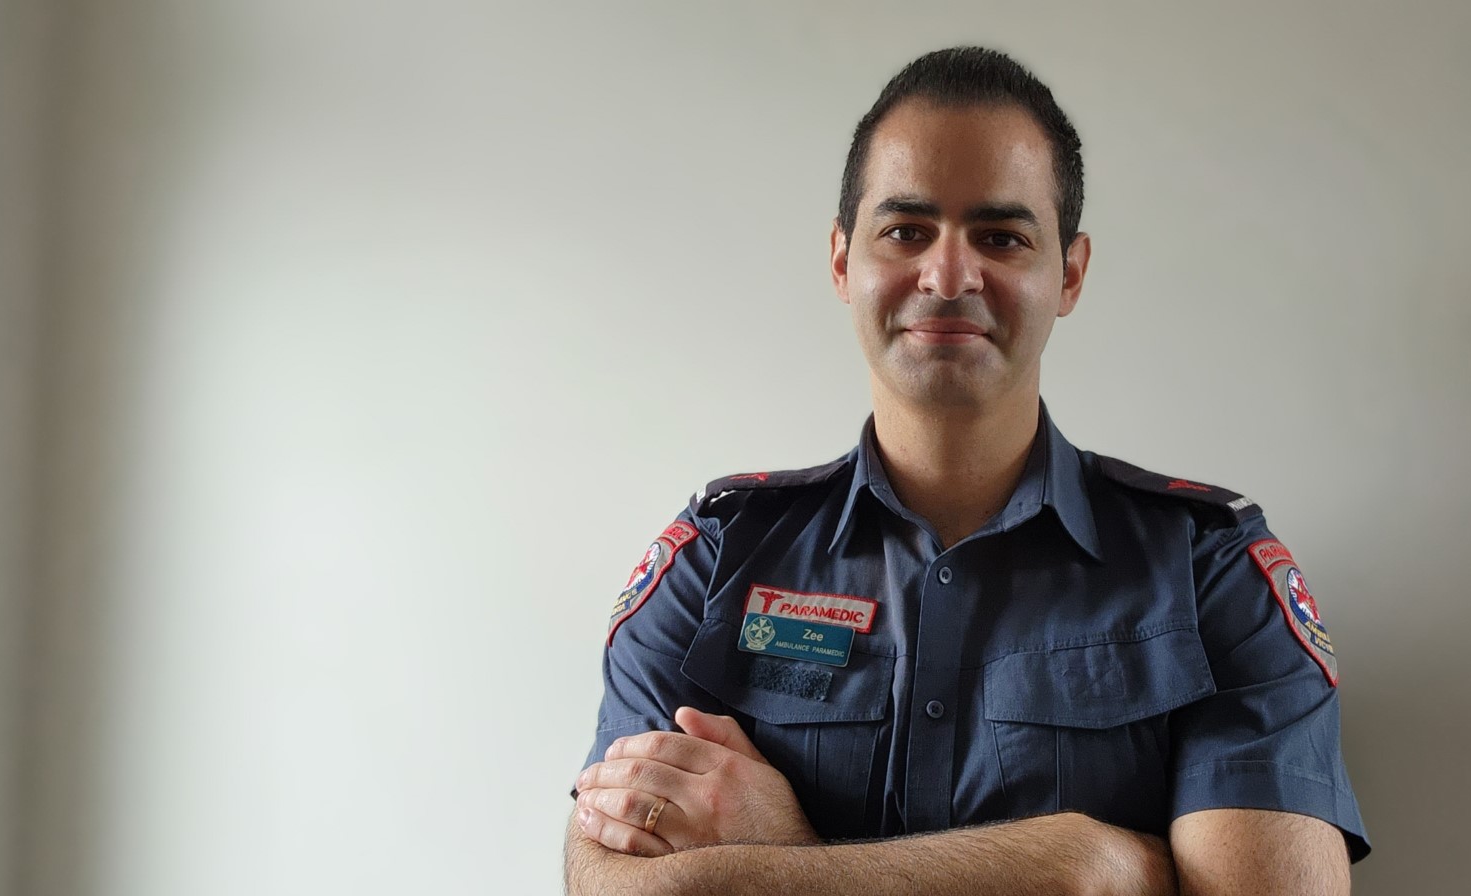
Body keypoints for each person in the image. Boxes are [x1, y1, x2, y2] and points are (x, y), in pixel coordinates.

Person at [564, 46, 1369, 895]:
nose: (949, 275)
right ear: (843, 261)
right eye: (906, 231)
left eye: (1001, 236)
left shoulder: (1211, 576)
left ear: (1070, 272)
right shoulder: (713, 561)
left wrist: (782, 858)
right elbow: (618, 884)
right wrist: (1082, 867)